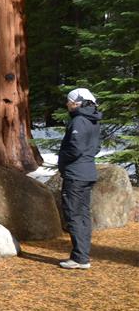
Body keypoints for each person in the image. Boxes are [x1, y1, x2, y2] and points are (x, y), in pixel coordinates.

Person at [58, 87, 102, 270]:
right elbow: (96, 147)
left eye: (69, 101)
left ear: (77, 102)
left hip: (76, 175)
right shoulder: (93, 120)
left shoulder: (79, 120)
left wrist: (62, 159)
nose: (67, 105)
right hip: (88, 173)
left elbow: (74, 148)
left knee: (74, 215)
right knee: (83, 215)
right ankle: (82, 256)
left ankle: (80, 258)